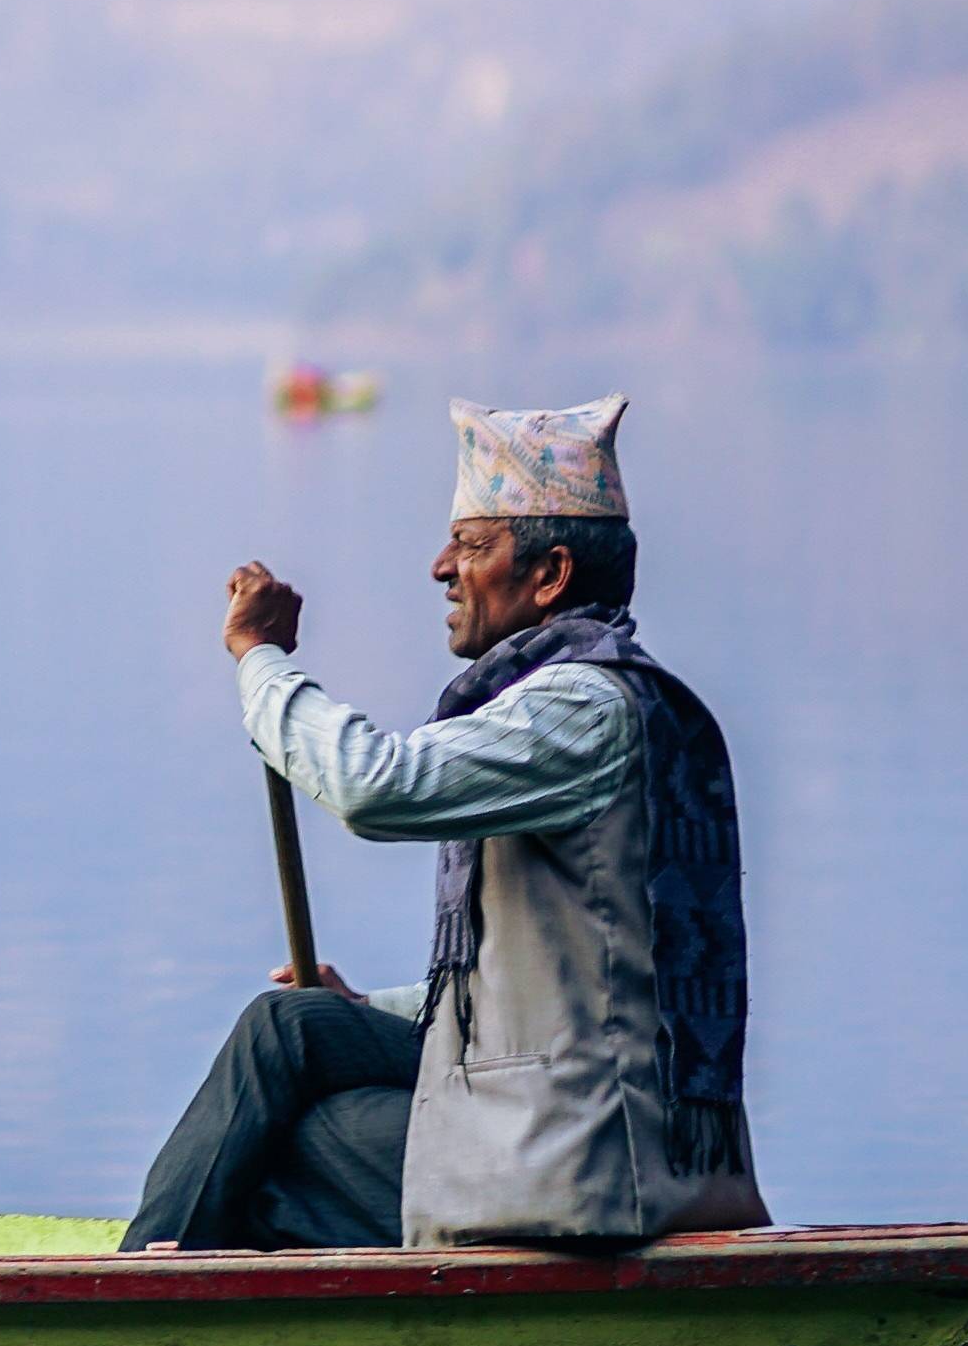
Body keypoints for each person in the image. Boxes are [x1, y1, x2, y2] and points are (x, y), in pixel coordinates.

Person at [124, 396, 767, 1253]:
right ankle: (169, 1268)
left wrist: (261, 662)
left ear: (549, 576)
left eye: (470, 545)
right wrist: (364, 1006)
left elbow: (372, 787)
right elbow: (550, 987)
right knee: (299, 1026)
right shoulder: (586, 699)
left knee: (285, 1146)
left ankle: (141, 1291)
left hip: (589, 1160)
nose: (439, 567)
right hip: (584, 1116)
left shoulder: (581, 706)